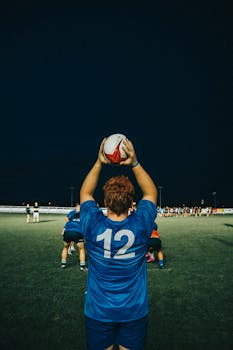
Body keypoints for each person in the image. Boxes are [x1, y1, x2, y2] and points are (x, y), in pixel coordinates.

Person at [80, 136, 157, 350]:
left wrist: (98, 162)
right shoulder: (141, 224)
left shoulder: (92, 224)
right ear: (132, 203)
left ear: (104, 202)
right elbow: (150, 193)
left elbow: (85, 193)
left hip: (98, 310)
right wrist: (134, 162)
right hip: (133, 310)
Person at [60, 203, 87, 271]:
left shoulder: (72, 218)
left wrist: (63, 231)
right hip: (77, 231)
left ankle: (63, 264)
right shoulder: (84, 216)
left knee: (65, 247)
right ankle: (82, 266)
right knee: (81, 249)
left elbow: (65, 227)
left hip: (68, 231)